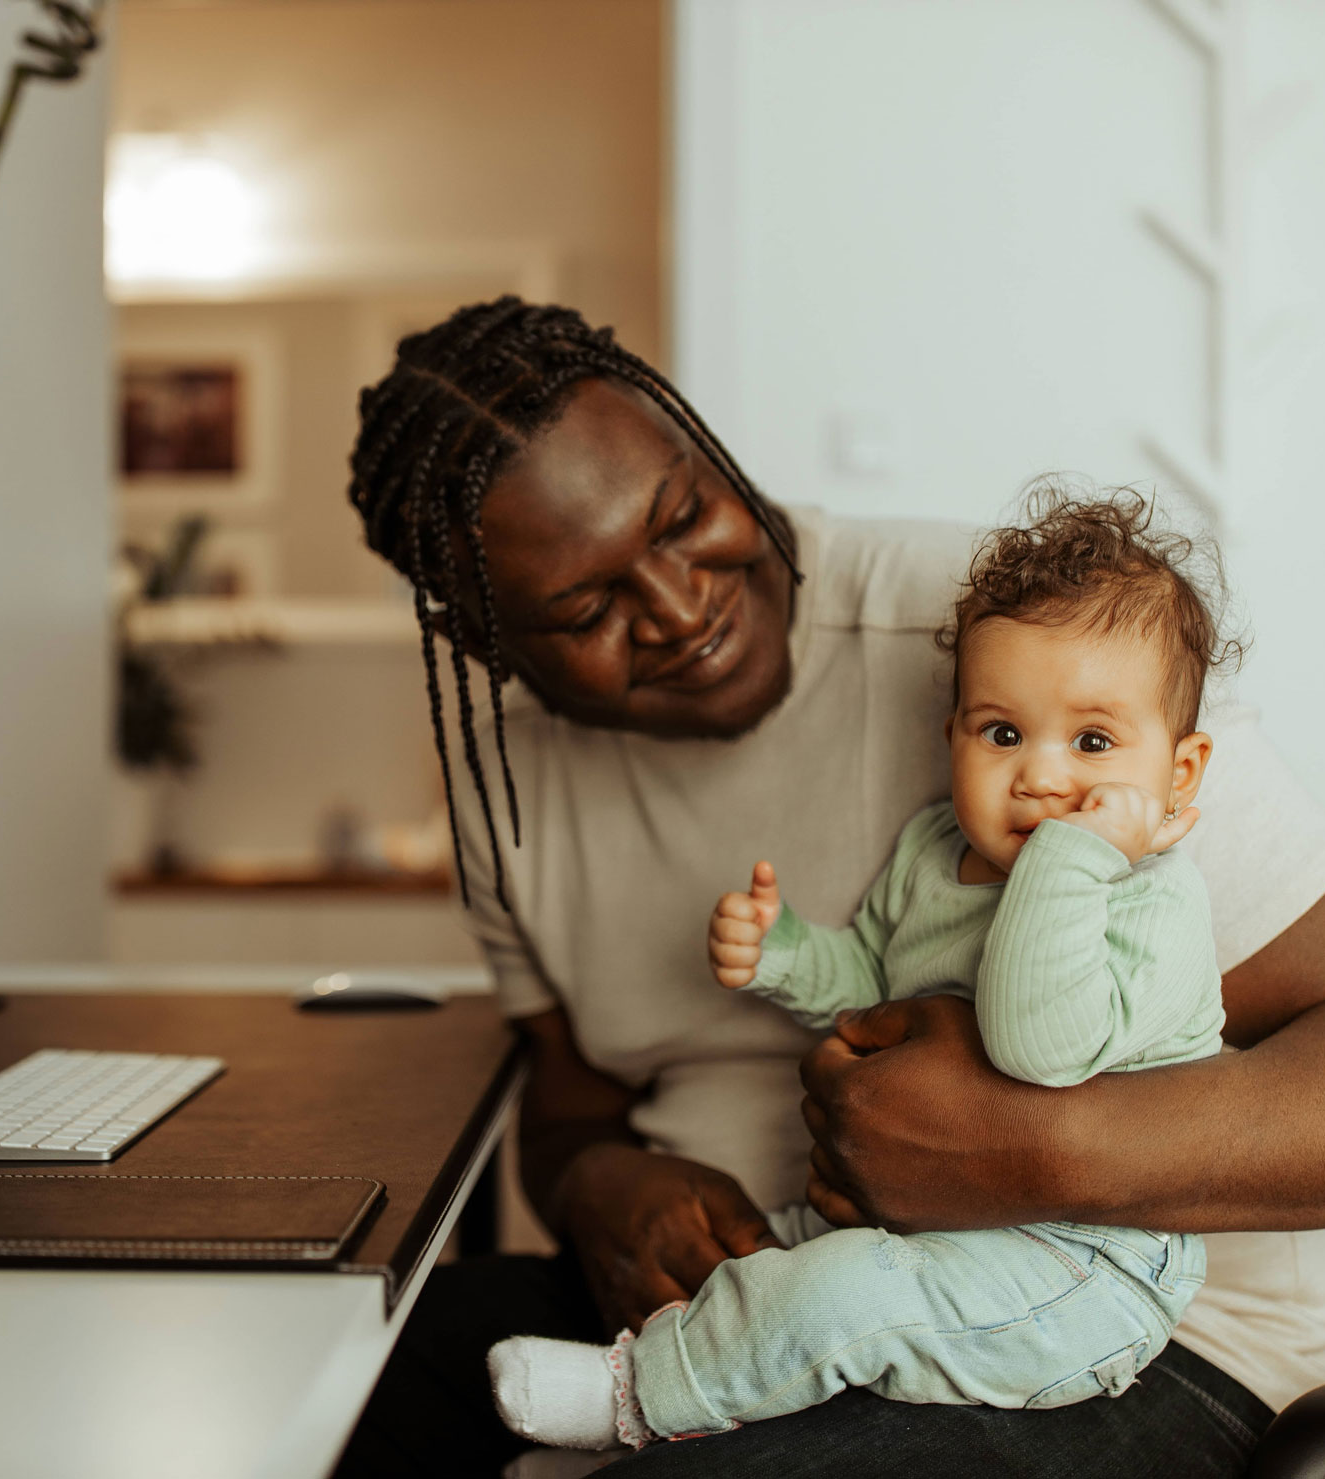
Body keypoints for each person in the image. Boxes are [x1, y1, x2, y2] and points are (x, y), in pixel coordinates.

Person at [330, 298, 1325, 1479]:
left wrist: (1036, 1148)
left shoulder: (1017, 650)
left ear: (707, 451)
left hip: (1140, 1330)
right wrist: (598, 1183)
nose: (682, 606)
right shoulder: (508, 785)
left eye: (686, 516)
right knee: (349, 1381)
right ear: (485, 645)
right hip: (760, 1292)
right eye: (587, 608)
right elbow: (568, 1106)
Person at [487, 493, 1232, 1449]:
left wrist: (1069, 857)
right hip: (938, 1235)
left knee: (839, 1294)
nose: (1042, 778)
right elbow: (872, 985)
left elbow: (1037, 1044)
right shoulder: (933, 853)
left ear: (1180, 773)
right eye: (1001, 733)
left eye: (1092, 743)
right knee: (760, 1262)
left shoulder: (1150, 902)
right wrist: (784, 949)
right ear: (954, 734)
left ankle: (634, 1402)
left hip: (1083, 1268)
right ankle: (713, 1383)